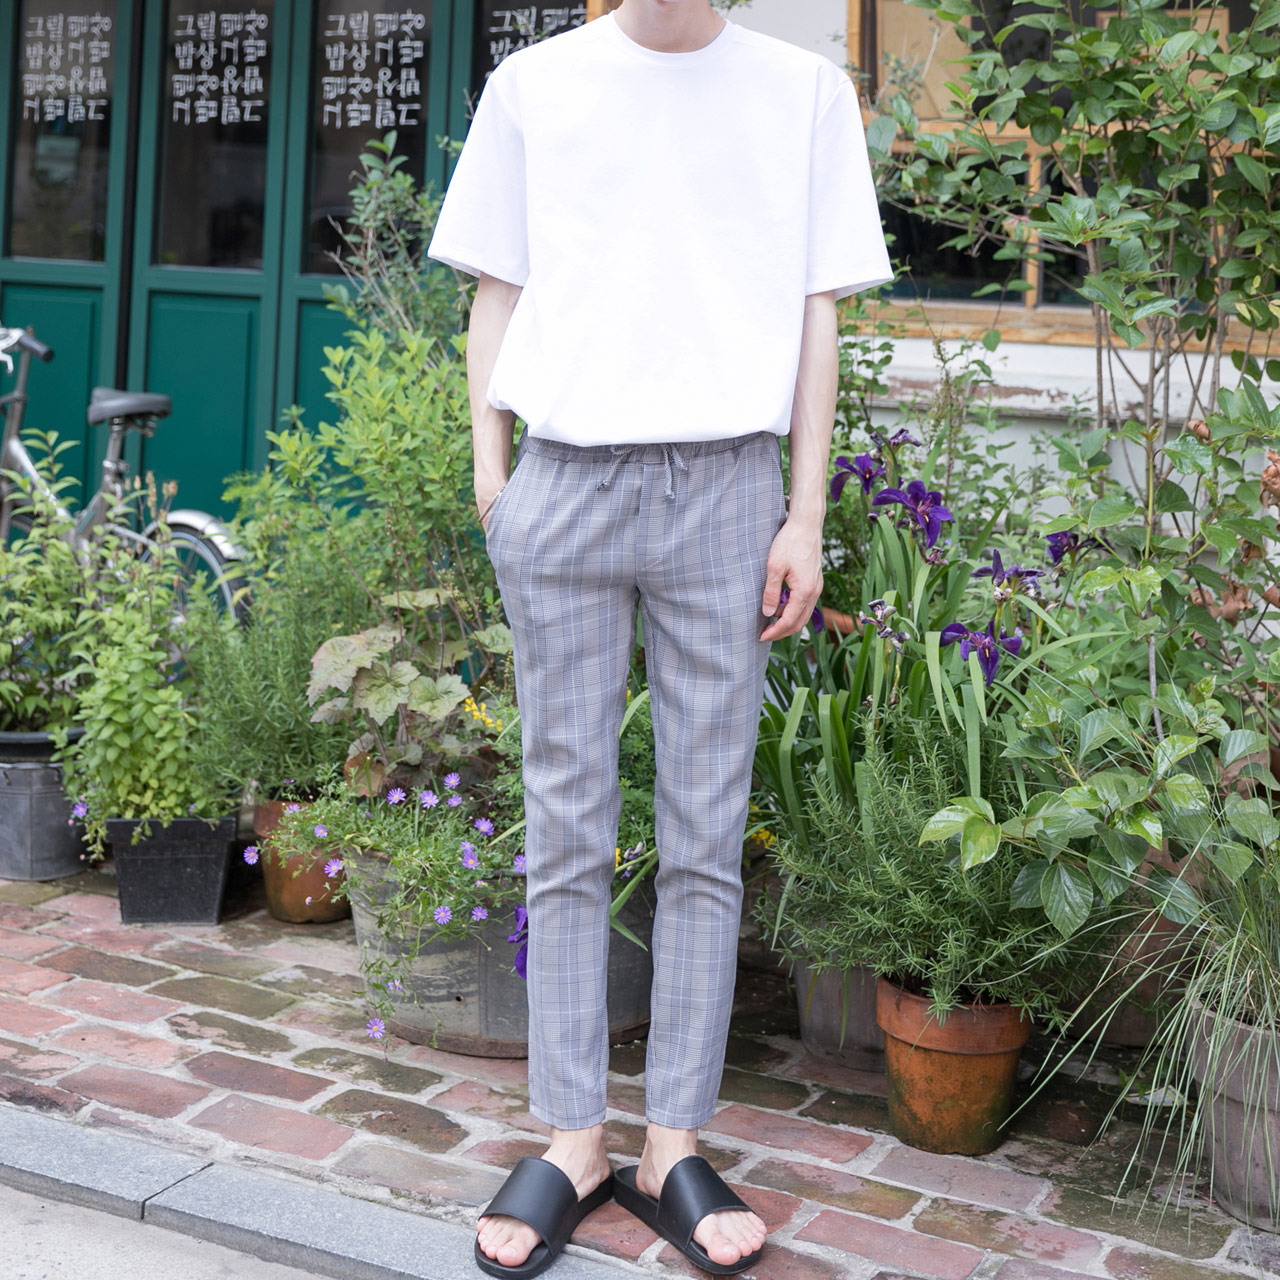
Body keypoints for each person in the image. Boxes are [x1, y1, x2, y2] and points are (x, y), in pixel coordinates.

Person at [427, 1, 891, 1274]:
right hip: (564, 481)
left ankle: (670, 1140)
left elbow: (815, 313)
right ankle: (571, 1135)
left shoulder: (800, 92)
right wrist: (493, 481)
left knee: (704, 826)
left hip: (726, 490)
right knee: (564, 817)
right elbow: (496, 291)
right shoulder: (535, 84)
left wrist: (804, 512)